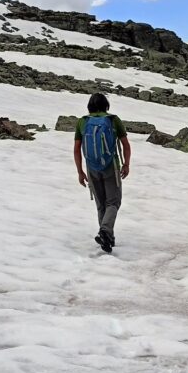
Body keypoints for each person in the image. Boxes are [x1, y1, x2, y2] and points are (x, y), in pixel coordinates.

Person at [73, 93, 131, 253]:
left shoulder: (83, 122)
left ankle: (106, 239)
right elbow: (125, 144)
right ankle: (105, 232)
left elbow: (77, 149)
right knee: (113, 202)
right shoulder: (113, 120)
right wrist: (126, 164)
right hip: (110, 166)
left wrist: (80, 171)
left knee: (101, 205)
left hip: (91, 168)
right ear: (106, 105)